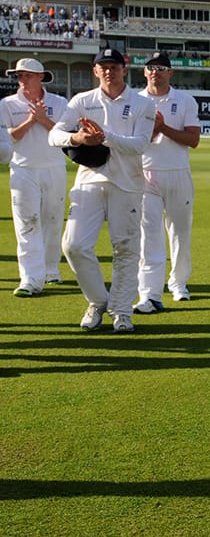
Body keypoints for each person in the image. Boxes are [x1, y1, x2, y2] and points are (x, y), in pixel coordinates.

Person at [48, 48, 156, 333]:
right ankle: (97, 301)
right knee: (73, 245)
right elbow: (53, 135)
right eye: (103, 67)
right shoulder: (82, 101)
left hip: (128, 183)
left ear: (124, 69)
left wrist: (104, 137)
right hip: (89, 180)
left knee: (126, 248)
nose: (109, 71)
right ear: (95, 71)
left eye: (114, 66)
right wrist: (78, 137)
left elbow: (140, 144)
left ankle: (121, 311)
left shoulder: (142, 104)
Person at [134, 52, 201, 313]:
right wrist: (153, 130)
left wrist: (163, 128)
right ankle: (149, 293)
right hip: (145, 173)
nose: (155, 72)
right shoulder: (136, 101)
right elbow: (133, 141)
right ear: (144, 72)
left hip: (177, 172)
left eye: (161, 68)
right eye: (151, 68)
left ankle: (178, 283)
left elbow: (192, 139)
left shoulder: (184, 101)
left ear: (170, 72)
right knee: (148, 236)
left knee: (180, 233)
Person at [0, 58, 69, 297]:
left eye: (27, 75)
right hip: (23, 169)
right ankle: (29, 278)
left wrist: (44, 119)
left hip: (54, 168)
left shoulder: (59, 102)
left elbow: (65, 134)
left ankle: (51, 271)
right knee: (27, 223)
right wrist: (31, 120)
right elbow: (8, 138)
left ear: (41, 77)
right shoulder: (7, 104)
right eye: (19, 75)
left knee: (52, 220)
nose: (22, 79)